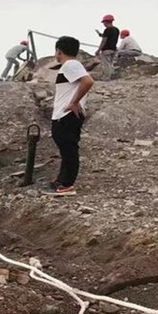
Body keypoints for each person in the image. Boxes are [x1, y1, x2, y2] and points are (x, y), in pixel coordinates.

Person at [45, 36, 94, 196]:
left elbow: (88, 81)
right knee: (65, 148)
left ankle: (67, 183)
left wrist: (74, 102)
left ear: (58, 51)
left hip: (66, 115)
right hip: (64, 114)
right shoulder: (71, 65)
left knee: (69, 149)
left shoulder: (71, 64)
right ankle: (62, 179)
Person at [95, 14, 119, 79]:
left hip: (106, 50)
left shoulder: (107, 30)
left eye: (104, 22)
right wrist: (100, 34)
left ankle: (107, 77)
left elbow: (104, 41)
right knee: (110, 63)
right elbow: (110, 37)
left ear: (106, 22)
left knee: (106, 64)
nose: (103, 24)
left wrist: (98, 50)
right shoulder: (116, 29)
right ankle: (112, 76)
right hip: (114, 49)